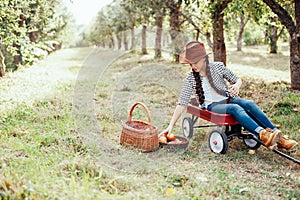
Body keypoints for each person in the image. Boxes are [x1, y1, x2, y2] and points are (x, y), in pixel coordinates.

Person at [160, 41, 298, 150]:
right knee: (235, 108)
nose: (193, 66)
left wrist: (236, 85)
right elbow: (182, 103)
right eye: (190, 63)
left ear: (204, 58)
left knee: (249, 104)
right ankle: (263, 134)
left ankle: (279, 138)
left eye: (195, 62)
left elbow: (237, 79)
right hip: (212, 106)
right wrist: (170, 126)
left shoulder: (218, 67)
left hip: (227, 98)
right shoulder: (190, 78)